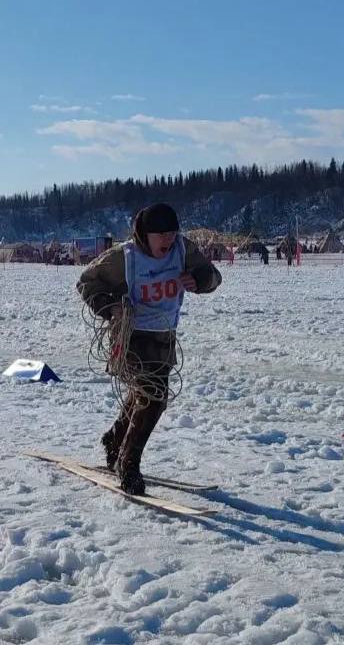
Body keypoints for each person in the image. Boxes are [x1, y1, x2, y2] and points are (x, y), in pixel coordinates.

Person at [76, 204, 222, 495]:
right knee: (154, 397)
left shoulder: (182, 250)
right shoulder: (124, 257)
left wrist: (200, 280)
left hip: (164, 338)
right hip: (131, 336)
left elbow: (213, 276)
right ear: (145, 235)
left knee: (144, 394)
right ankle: (128, 464)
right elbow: (86, 282)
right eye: (161, 235)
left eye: (172, 233)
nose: (168, 240)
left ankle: (115, 438)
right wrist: (112, 306)